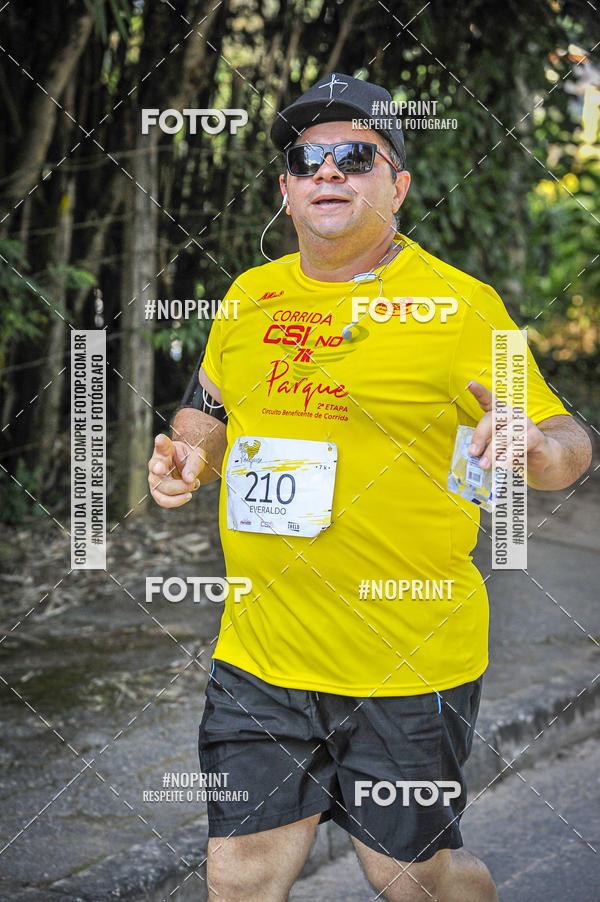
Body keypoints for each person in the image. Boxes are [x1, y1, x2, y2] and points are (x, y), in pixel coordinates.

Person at [147, 74, 592, 902]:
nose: (328, 171)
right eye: (305, 159)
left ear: (399, 186)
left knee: (411, 877)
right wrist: (187, 457)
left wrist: (535, 445)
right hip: (260, 655)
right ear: (285, 190)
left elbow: (570, 444)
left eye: (356, 156)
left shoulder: (460, 309)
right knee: (238, 875)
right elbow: (209, 404)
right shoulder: (251, 297)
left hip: (408, 661)